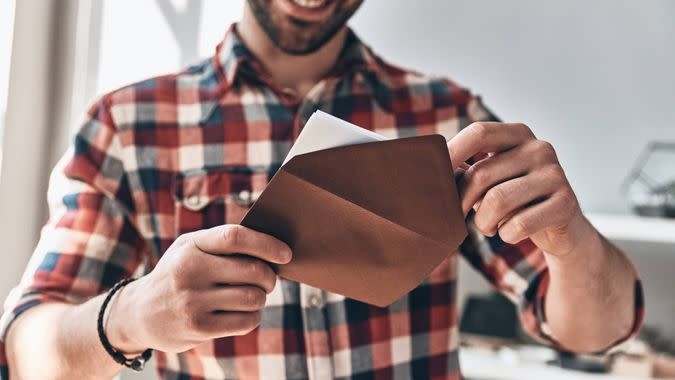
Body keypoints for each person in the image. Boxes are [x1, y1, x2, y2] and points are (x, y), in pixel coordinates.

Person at [1, 0, 644, 379]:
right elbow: (27, 348)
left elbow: (594, 332)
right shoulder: (126, 125)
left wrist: (572, 243)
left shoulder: (448, 117)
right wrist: (133, 314)